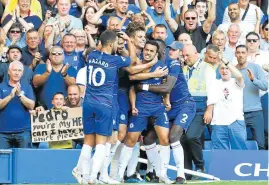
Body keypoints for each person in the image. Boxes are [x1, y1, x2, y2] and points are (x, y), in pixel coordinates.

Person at [74, 30, 157, 184]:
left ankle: (81, 174)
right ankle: (92, 177)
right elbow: (132, 60)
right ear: (112, 44)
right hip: (104, 104)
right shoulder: (115, 60)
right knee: (101, 143)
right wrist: (129, 42)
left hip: (88, 103)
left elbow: (99, 47)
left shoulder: (91, 56)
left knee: (87, 142)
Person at [116, 40, 172, 183]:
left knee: (165, 139)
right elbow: (132, 87)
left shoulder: (163, 67)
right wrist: (133, 105)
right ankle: (119, 174)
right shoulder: (137, 65)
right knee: (130, 140)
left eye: (151, 51)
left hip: (157, 108)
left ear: (156, 53)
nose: (147, 52)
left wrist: (167, 100)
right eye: (146, 49)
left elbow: (166, 88)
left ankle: (162, 174)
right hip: (140, 108)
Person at [181, 44, 216, 179]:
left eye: (187, 55)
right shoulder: (183, 69)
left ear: (196, 54)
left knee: (192, 136)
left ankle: (200, 166)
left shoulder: (207, 69)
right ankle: (187, 172)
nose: (185, 58)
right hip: (185, 108)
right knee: (182, 139)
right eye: (183, 55)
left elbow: (212, 91)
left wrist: (209, 109)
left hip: (201, 108)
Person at [211, 54, 247, 150]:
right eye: (222, 68)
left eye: (227, 68)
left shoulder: (236, 81)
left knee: (240, 153)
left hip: (236, 122)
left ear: (231, 69)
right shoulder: (215, 83)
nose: (224, 70)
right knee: (220, 155)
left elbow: (239, 75)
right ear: (219, 70)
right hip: (218, 123)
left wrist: (225, 60)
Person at [235, 45, 268, 150]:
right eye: (238, 52)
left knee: (260, 144)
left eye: (243, 52)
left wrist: (254, 80)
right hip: (238, 114)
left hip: (255, 112)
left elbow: (265, 86)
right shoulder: (232, 70)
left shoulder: (256, 68)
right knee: (239, 144)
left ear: (247, 54)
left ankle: (261, 166)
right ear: (235, 54)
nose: (240, 55)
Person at [0, 61, 35, 148]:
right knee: (2, 160)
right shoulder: (1, 86)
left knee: (24, 158)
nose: (16, 73)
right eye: (14, 70)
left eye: (19, 70)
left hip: (23, 131)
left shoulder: (27, 86)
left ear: (22, 73)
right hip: (3, 132)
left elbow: (31, 105)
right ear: (9, 71)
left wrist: (20, 95)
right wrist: (10, 96)